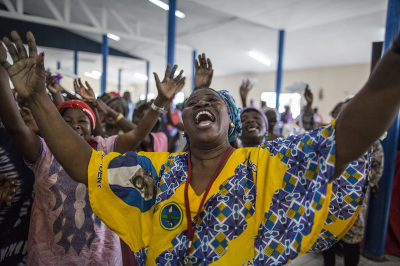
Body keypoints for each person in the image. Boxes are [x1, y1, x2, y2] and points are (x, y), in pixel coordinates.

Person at [3, 31, 400, 265]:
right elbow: (84, 165)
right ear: (184, 123)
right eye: (193, 103)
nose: (201, 104)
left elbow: (344, 137)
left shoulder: (264, 165)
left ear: (229, 121)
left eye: (212, 101)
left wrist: (395, 59)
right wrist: (38, 98)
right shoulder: (156, 174)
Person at [0, 32, 184, 264]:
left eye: (82, 122)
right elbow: (16, 128)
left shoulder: (104, 148)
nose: (75, 126)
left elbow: (138, 134)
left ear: (93, 126)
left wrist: (160, 101)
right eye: (66, 123)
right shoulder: (44, 152)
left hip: (101, 257)